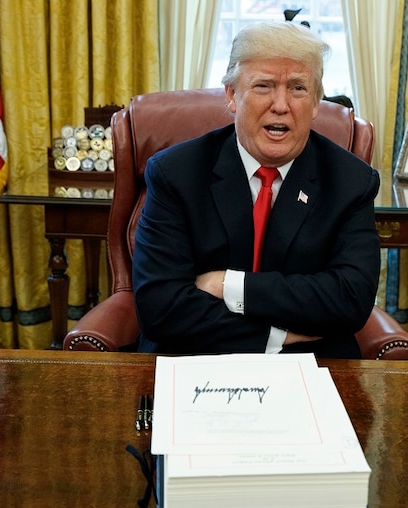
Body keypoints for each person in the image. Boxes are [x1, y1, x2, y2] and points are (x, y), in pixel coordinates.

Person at [131, 21, 381, 359]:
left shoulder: (351, 182)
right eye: (264, 86)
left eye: (298, 88)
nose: (281, 105)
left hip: (312, 364)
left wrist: (227, 285)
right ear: (232, 96)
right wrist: (276, 336)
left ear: (316, 103)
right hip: (195, 360)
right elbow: (160, 309)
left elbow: (349, 300)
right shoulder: (176, 173)